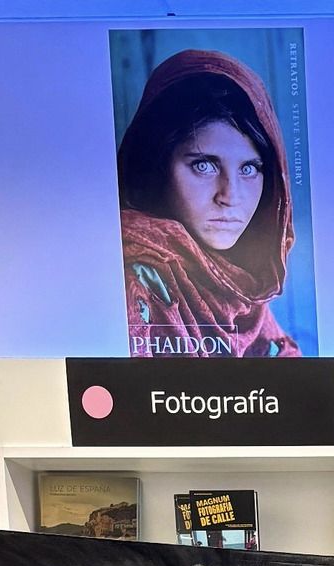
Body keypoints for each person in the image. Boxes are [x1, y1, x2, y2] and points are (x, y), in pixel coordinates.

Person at [116, 50, 302, 358]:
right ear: (157, 165)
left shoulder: (240, 287)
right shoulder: (131, 282)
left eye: (249, 168)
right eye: (204, 166)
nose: (230, 196)